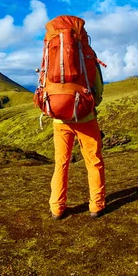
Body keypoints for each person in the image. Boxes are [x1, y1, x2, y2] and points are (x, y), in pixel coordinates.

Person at [34, 15, 106, 220]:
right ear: (80, 35)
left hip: (59, 119)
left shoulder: (50, 53)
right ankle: (97, 205)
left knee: (61, 163)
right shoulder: (87, 54)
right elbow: (98, 88)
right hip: (86, 117)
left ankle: (57, 208)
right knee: (93, 161)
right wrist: (90, 106)